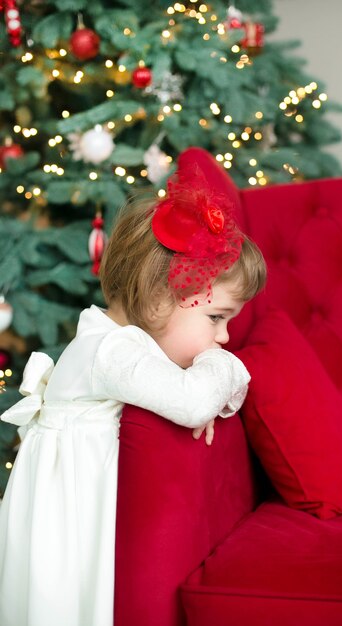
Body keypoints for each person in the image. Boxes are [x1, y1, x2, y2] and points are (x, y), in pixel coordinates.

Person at [0, 165, 266, 626]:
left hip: (87, 504)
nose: (224, 338)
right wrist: (218, 371)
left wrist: (201, 390)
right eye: (216, 318)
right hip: (69, 519)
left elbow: (195, 399)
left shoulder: (129, 343)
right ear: (159, 298)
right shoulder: (111, 350)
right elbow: (193, 402)